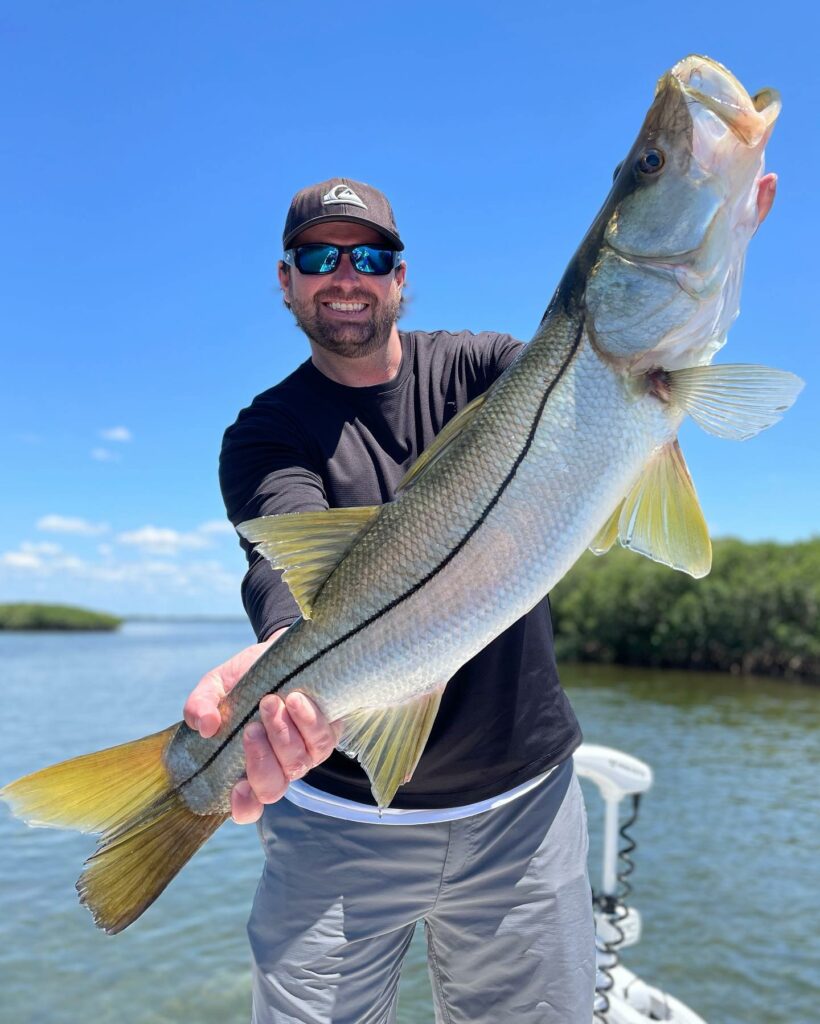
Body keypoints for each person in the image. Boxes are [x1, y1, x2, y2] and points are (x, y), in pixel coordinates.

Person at [184, 178, 595, 1024]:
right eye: (318, 257)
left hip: (522, 808)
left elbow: (598, 381)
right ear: (286, 278)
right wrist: (284, 649)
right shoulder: (264, 433)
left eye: (369, 256)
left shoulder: (488, 369)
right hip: (336, 813)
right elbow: (289, 569)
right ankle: (176, 803)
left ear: (400, 279)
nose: (346, 275)